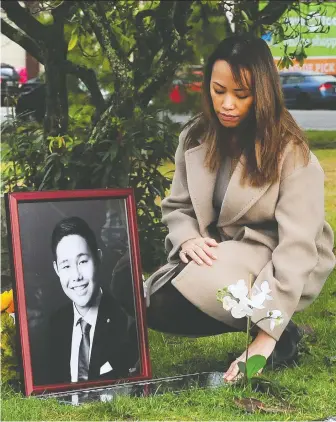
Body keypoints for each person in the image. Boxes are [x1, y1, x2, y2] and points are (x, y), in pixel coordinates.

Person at [144, 34, 335, 383]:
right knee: (147, 299)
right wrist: (187, 239)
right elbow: (178, 207)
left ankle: (281, 331)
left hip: (277, 255)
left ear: (261, 94)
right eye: (219, 91)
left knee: (184, 292)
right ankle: (277, 322)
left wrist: (266, 339)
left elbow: (298, 247)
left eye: (241, 94)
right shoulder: (196, 136)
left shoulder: (291, 151)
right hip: (220, 252)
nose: (227, 104)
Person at [48, 216, 139, 384]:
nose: (76, 276)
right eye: (66, 266)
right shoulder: (56, 324)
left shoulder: (126, 319)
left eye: (82, 261)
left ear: (98, 258)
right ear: (56, 269)